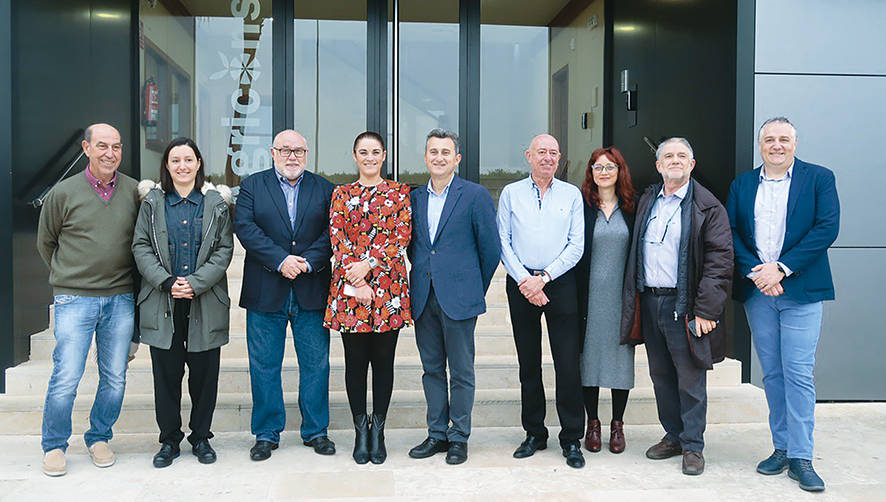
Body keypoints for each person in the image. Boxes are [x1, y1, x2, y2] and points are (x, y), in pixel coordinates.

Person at [726, 117, 839, 492]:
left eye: (783, 139)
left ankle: (802, 457)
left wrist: (782, 270)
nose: (777, 145)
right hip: (760, 292)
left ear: (794, 143)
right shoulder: (743, 184)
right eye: (769, 139)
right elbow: (733, 232)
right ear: (760, 145)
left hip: (801, 291)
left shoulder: (819, 178)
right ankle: (782, 447)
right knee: (772, 373)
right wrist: (759, 273)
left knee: (799, 372)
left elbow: (826, 228)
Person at [620, 137, 733, 476]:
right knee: (661, 376)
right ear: (658, 165)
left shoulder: (708, 206)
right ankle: (673, 436)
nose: (675, 160)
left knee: (690, 378)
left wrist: (707, 311)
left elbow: (720, 260)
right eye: (668, 156)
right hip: (651, 299)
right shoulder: (647, 200)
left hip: (685, 305)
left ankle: (693, 446)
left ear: (692, 164)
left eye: (682, 156)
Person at [36, 123, 140, 476]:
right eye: (102, 146)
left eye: (116, 146)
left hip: (120, 298)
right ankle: (53, 445)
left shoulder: (133, 191)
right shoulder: (63, 193)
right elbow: (46, 243)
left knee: (115, 377)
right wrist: (69, 278)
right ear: (86, 148)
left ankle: (99, 436)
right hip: (75, 299)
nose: (110, 153)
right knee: (67, 375)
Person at [234, 129, 336, 461]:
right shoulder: (252, 185)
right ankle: (266, 433)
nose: (292, 156)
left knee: (316, 365)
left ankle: (316, 431)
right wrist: (281, 260)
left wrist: (306, 263)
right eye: (285, 150)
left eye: (298, 151)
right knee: (264, 365)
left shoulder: (324, 188)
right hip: (266, 289)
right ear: (273, 152)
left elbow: (332, 232)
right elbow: (246, 228)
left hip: (311, 288)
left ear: (307, 154)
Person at [132, 137, 234, 468]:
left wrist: (195, 283)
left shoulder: (215, 202)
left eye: (188, 159)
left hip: (204, 300)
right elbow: (141, 246)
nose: (182, 166)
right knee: (166, 375)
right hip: (164, 300)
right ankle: (169, 440)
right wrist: (165, 281)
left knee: (205, 376)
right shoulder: (153, 202)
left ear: (199, 163)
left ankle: (201, 437)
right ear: (167, 166)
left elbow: (224, 250)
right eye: (175, 160)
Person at [407, 129, 500, 465]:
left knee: (461, 371)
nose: (439, 157)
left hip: (460, 297)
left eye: (446, 152)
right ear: (426, 157)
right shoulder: (415, 198)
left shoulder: (474, 196)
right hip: (423, 295)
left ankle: (459, 436)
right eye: (433, 152)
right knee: (431, 370)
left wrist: (472, 287)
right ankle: (437, 434)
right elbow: (413, 246)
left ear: (457, 159)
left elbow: (490, 250)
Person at [498, 134, 586, 469]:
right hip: (521, 285)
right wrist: (525, 280)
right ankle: (534, 432)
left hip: (560, 284)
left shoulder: (572, 195)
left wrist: (545, 277)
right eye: (541, 152)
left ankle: (571, 438)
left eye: (553, 153)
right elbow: (502, 240)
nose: (547, 158)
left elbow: (576, 245)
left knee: (567, 364)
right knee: (528, 364)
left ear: (559, 158)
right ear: (529, 156)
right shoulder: (511, 193)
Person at [324, 131, 412, 465]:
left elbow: (400, 236)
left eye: (375, 152)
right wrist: (355, 274)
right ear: (355, 155)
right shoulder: (341, 194)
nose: (370, 157)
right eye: (364, 152)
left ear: (384, 155)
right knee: (355, 363)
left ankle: (379, 429)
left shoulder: (399, 193)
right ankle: (361, 429)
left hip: (388, 289)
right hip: (350, 290)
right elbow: (337, 236)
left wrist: (369, 265)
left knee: (384, 362)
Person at [573, 147, 637, 454]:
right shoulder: (582, 207)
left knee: (620, 360)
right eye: (598, 167)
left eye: (610, 167)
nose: (604, 172)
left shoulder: (633, 208)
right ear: (591, 173)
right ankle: (593, 423)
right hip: (589, 297)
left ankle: (617, 424)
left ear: (619, 171)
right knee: (590, 360)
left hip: (621, 298)